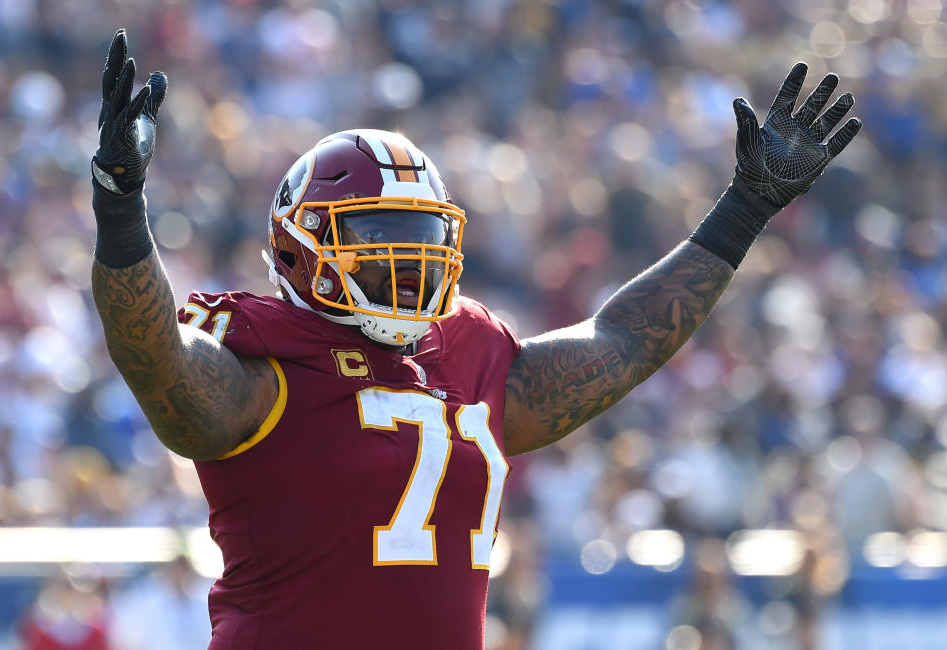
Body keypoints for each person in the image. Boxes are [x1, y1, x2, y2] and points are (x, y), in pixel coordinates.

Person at [89, 28, 861, 650]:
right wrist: (123, 208)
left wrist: (745, 208)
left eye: (421, 236)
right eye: (378, 233)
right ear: (298, 248)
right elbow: (157, 362)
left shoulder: (467, 354)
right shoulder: (266, 362)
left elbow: (623, 342)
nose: (406, 257)